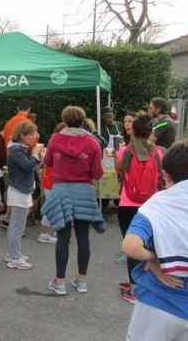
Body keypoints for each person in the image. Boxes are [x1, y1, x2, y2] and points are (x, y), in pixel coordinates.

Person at [122, 140, 188, 341]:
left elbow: (130, 245)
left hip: (156, 305)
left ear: (165, 175)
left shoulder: (158, 203)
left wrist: (154, 258)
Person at [42, 106, 104, 295]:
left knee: (63, 237)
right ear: (83, 121)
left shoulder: (55, 139)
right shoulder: (92, 142)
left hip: (61, 190)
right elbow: (98, 173)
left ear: (65, 121)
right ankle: (81, 280)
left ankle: (60, 282)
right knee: (83, 237)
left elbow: (47, 162)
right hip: (84, 192)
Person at [115, 113, 165, 304]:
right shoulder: (159, 152)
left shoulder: (124, 151)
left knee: (132, 248)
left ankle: (134, 288)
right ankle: (147, 284)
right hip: (152, 205)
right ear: (150, 131)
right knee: (148, 245)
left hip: (128, 204)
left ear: (133, 131)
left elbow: (119, 170)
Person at [5, 122, 43, 270]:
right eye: (32, 134)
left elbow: (31, 166)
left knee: (17, 225)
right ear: (22, 135)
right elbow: (28, 166)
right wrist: (35, 154)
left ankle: (13, 254)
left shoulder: (18, 148)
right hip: (19, 191)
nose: (35, 137)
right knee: (17, 226)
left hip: (21, 189)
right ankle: (14, 258)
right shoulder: (16, 150)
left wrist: (38, 156)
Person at [38, 122, 67, 244]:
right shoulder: (56, 144)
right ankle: (44, 234)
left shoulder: (57, 143)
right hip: (53, 180)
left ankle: (56, 231)